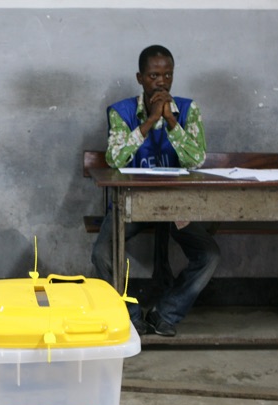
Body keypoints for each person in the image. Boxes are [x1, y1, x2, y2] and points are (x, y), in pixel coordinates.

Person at [91, 45, 220, 337]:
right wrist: (150, 121)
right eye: (153, 76)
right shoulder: (121, 112)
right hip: (131, 205)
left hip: (176, 207)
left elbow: (196, 160)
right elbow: (115, 159)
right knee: (101, 253)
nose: (161, 82)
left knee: (209, 255)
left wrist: (171, 121)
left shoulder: (188, 110)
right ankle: (131, 316)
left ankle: (165, 313)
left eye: (167, 75)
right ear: (140, 78)